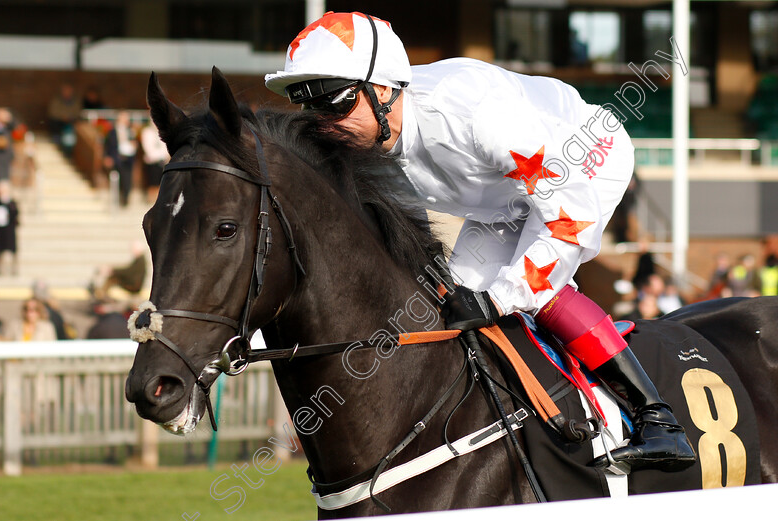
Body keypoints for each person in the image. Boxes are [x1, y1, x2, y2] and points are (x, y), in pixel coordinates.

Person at [265, 12, 694, 471]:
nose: (324, 125)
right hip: (504, 198)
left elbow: (567, 215)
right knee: (446, 300)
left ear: (383, 90)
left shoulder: (472, 114)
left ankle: (658, 421)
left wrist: (504, 297)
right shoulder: (368, 143)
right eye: (310, 109)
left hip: (582, 166)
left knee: (527, 291)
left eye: (337, 105)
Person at [103, 111, 138, 207]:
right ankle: (117, 200)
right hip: (117, 159)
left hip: (128, 159)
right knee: (117, 180)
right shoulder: (112, 132)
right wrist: (107, 157)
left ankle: (125, 200)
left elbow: (134, 143)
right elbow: (107, 146)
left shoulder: (130, 131)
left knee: (127, 181)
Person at [0, 180, 20, 276]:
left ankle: (13, 269)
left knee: (12, 250)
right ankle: (0, 269)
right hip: (1, 228)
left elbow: (15, 213)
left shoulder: (11, 202)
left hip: (10, 228)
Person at [47, 83, 82, 156]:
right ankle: (57, 141)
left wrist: (69, 118)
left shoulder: (75, 101)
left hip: (71, 123)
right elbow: (53, 112)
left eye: (69, 90)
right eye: (65, 90)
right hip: (59, 122)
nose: (67, 92)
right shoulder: (57, 100)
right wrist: (62, 117)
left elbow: (77, 112)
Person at [140, 120, 170, 204]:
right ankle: (151, 201)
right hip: (152, 161)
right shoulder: (147, 132)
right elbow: (148, 148)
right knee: (153, 182)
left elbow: (166, 146)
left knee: (162, 183)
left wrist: (165, 156)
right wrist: (158, 155)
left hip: (163, 161)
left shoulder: (163, 131)